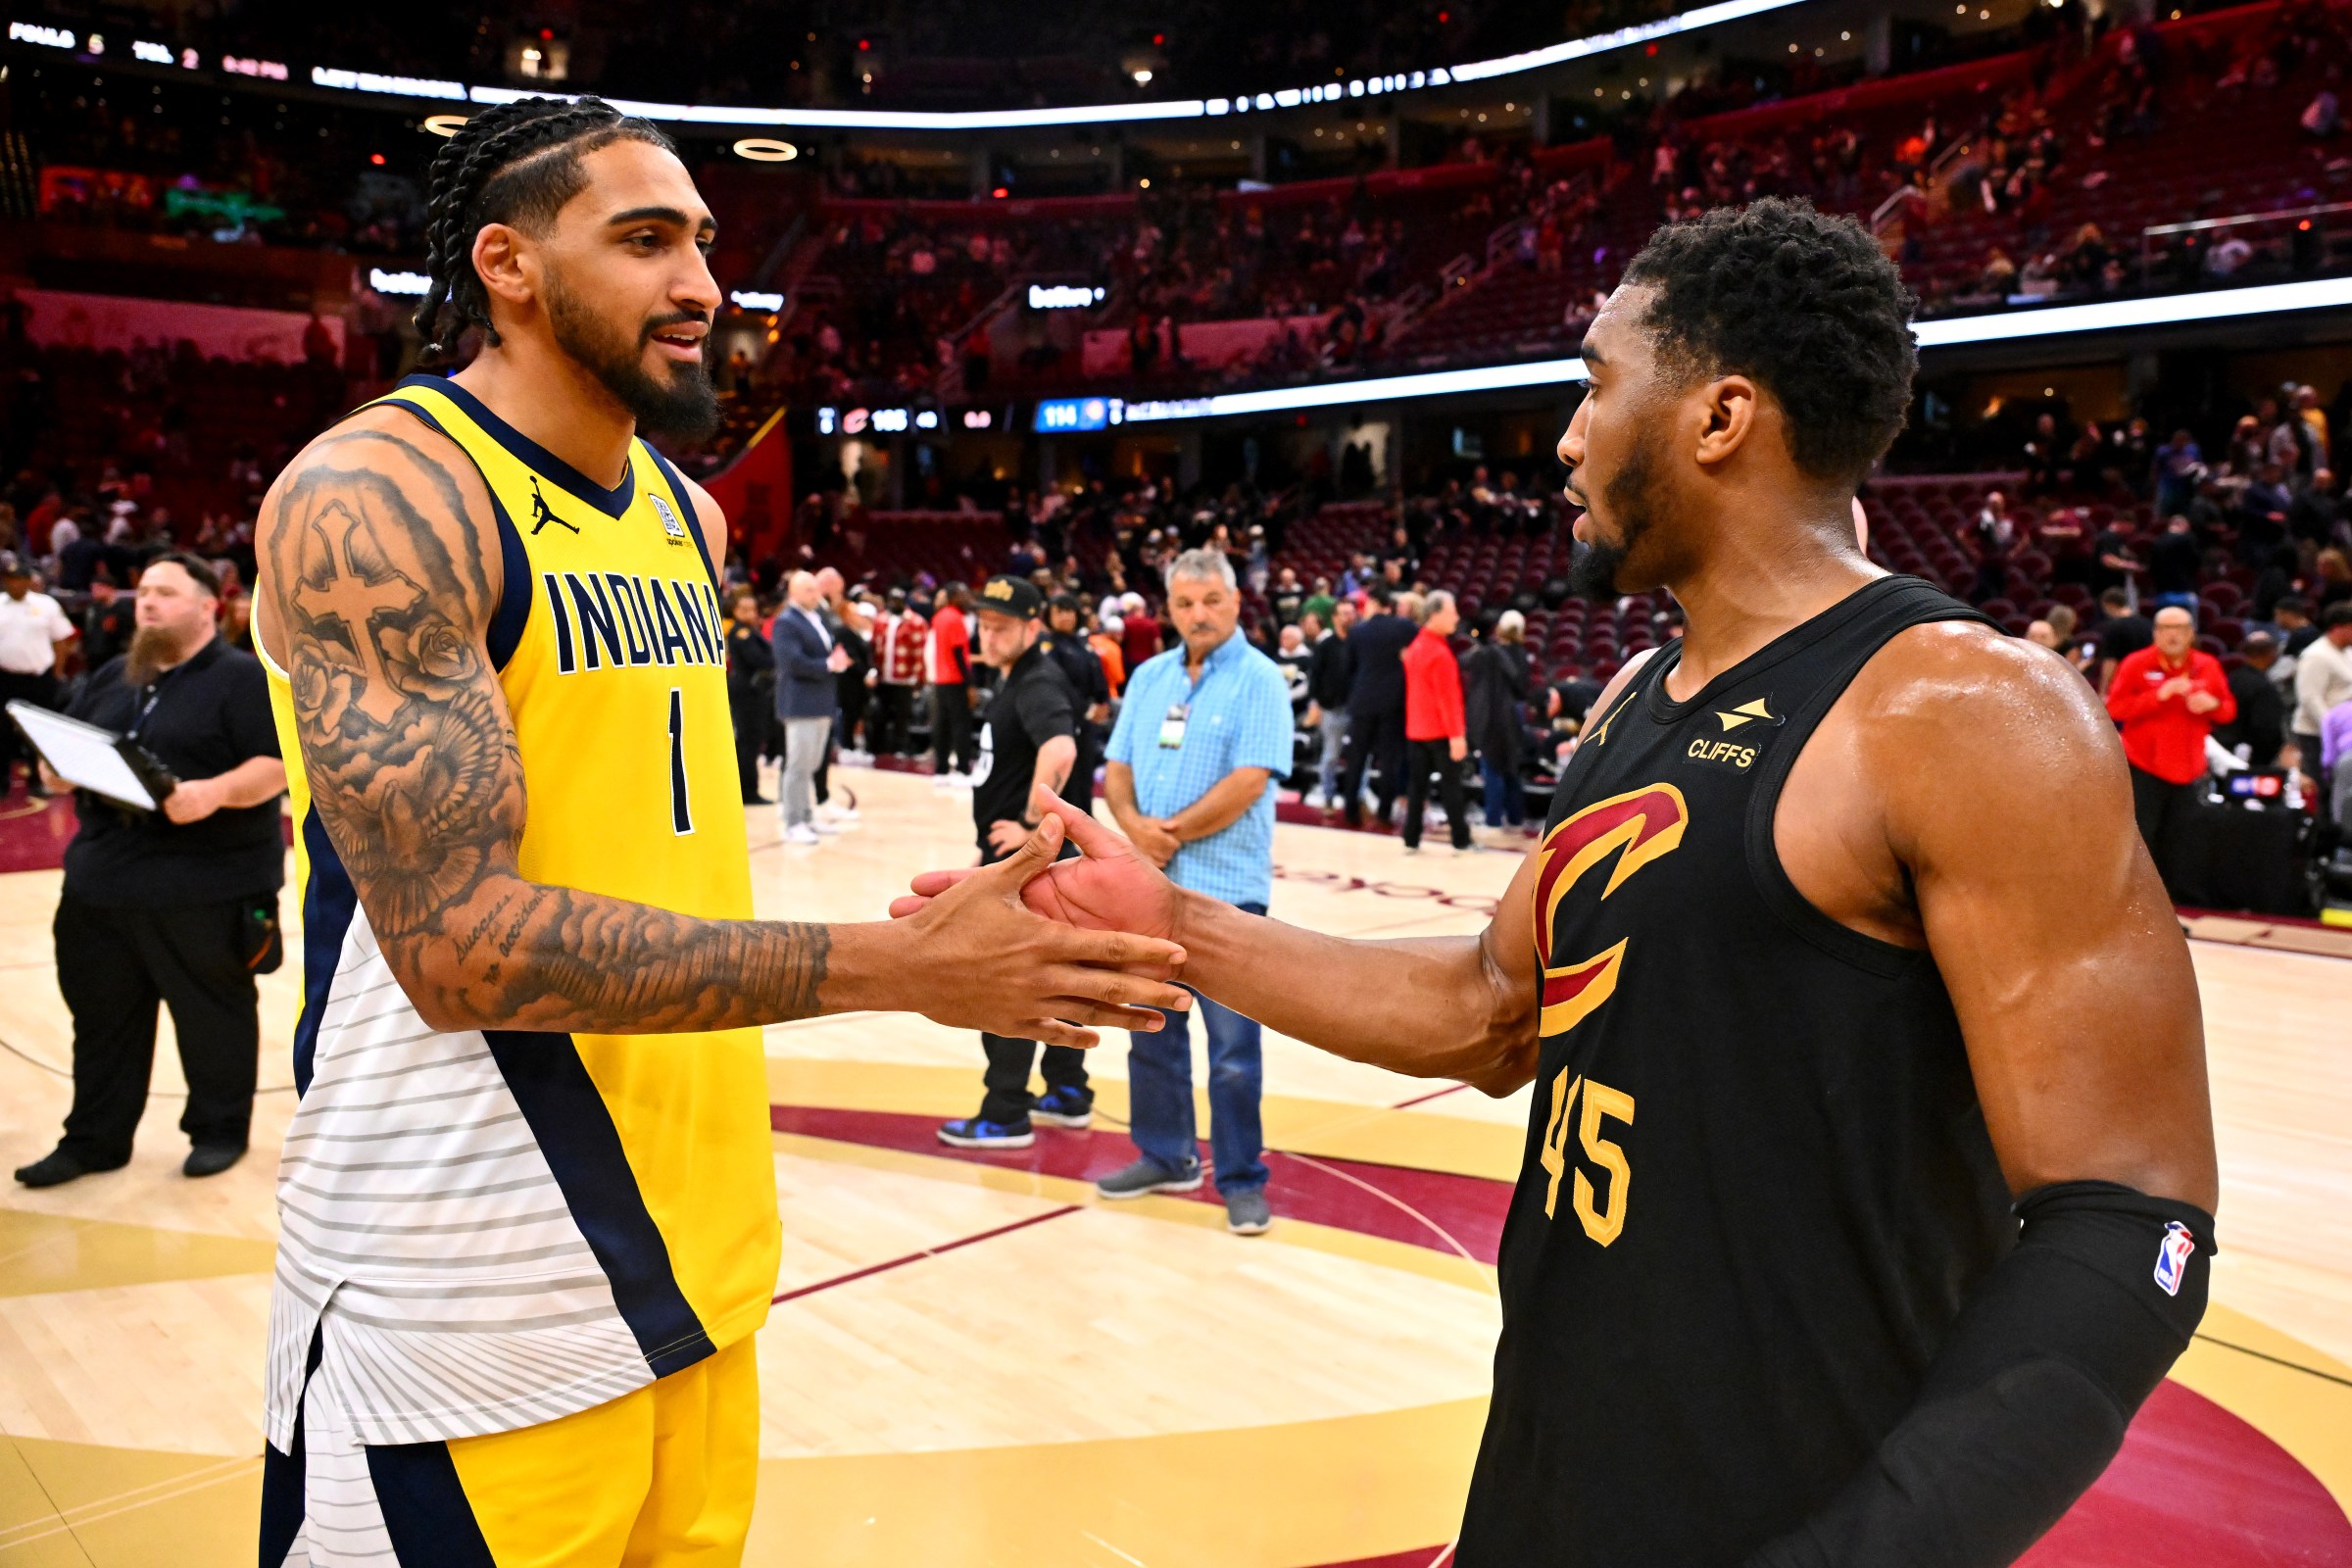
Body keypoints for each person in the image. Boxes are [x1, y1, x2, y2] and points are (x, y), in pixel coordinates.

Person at [906, 200, 2216, 1565]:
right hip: (1550, 1464)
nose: (1569, 437)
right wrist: (1173, 922)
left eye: (1595, 386)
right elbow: (1488, 1006)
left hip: (1792, 1503)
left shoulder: (1966, 710)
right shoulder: (1637, 694)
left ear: (1719, 417)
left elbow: (2132, 1219)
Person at [247, 96, 1189, 1565]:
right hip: (463, 1285)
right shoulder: (383, 496)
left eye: (701, 243)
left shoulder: (688, 517)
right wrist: (899, 968)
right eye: (644, 241)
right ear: (506, 263)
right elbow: (454, 948)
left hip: (700, 1250)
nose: (700, 284)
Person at [13, 555, 286, 1188]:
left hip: (206, 884)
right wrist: (58, 770)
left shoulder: (242, 678)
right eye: (143, 593)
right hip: (101, 884)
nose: (148, 603)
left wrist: (215, 791)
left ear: (208, 606)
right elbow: (75, 742)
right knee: (102, 1021)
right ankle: (94, 1140)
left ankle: (218, 1130)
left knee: (213, 1017)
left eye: (166, 593)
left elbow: (276, 765)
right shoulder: (115, 674)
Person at [1097, 548, 1294, 1237]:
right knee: (1151, 1034)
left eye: (1211, 601)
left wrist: (1167, 835)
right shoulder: (1149, 676)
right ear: (1169, 609)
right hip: (1148, 892)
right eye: (1184, 603)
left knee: (1233, 1052)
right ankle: (1165, 1155)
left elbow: (1250, 781)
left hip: (1226, 894)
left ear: (1236, 602)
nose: (1198, 614)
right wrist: (1133, 829)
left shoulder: (1261, 680)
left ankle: (1241, 1179)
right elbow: (1116, 768)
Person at [936, 576, 1090, 1150]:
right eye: (984, 624)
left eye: (1002, 627)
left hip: (1028, 864)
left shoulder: (1037, 681)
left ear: (1032, 627)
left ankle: (1004, 1113)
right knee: (1057, 979)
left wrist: (1030, 827)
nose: (989, 635)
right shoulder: (1018, 678)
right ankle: (1068, 1092)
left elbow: (1061, 748)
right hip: (1032, 861)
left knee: (1004, 984)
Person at [2107, 607, 2233, 898]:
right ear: (2155, 633)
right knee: (2142, 837)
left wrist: (2212, 705)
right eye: (2165, 628)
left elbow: (2228, 710)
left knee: (2182, 840)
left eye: (2179, 628)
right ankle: (2135, 899)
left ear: (2191, 633)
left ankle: (2176, 903)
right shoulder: (2136, 663)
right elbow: (2114, 708)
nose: (2172, 635)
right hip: (2144, 766)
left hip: (2189, 769)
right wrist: (2158, 696)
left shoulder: (2207, 665)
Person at [772, 570, 847, 847]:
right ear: (793, 592)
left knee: (812, 764)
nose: (815, 595)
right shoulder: (786, 622)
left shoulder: (817, 617)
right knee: (798, 765)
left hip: (821, 700)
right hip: (800, 703)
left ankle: (806, 816)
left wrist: (836, 659)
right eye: (808, 590)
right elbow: (791, 662)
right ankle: (794, 822)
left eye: (816, 589)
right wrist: (828, 665)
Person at [1399, 590, 1473, 855]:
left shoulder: (1414, 648)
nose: (1457, 617)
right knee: (1451, 787)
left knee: (1416, 788)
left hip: (1416, 730)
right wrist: (1457, 736)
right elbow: (1448, 700)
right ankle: (1461, 840)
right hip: (1440, 732)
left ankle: (1411, 839)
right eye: (1452, 612)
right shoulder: (1439, 653)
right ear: (1434, 614)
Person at [1338, 586, 1417, 828]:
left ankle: (1350, 810)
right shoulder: (1405, 628)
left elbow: (1347, 668)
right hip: (1393, 703)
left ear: (1373, 603)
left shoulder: (1358, 631)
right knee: (1389, 761)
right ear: (1390, 606)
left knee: (1357, 759)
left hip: (1362, 701)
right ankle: (1384, 812)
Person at [0, 551, 74, 798]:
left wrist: (58, 672)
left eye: (18, 580)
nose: (14, 584)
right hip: (4, 678)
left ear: (28, 581)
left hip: (38, 679)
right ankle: (2, 782)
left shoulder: (46, 605)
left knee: (38, 732)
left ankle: (38, 779)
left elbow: (61, 640)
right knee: (1, 731)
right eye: (9, 580)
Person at [1463, 608, 1532, 834]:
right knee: (1511, 769)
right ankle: (1515, 819)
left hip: (1493, 716)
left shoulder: (1489, 653)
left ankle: (1493, 820)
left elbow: (1463, 662)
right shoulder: (1522, 654)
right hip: (1514, 716)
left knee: (1492, 768)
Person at [1041, 592, 1110, 809]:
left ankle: (1085, 817)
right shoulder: (1048, 646)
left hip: (1086, 720)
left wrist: (1103, 702)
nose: (1065, 616)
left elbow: (1097, 674)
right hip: (1062, 718)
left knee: (1085, 771)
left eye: (1069, 611)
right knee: (1066, 776)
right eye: (1059, 611)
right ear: (1049, 616)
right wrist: (1086, 709)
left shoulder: (1084, 643)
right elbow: (1056, 683)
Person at [2292, 602, 2352, 817]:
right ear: (2338, 628)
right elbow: (2310, 699)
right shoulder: (2316, 656)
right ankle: (2320, 834)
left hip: (2343, 735)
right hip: (2316, 735)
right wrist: (2334, 729)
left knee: (2341, 786)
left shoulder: (2346, 652)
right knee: (2321, 790)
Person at [722, 587, 774, 804]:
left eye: (752, 609)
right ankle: (747, 791)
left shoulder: (751, 631)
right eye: (744, 609)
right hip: (746, 691)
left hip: (753, 691)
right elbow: (759, 659)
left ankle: (748, 789)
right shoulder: (740, 632)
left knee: (751, 741)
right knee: (748, 741)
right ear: (735, 610)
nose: (750, 613)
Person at [1305, 597, 1354, 808]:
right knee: (1331, 755)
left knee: (1361, 757)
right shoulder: (1325, 645)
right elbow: (1314, 676)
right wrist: (1314, 704)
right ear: (1334, 618)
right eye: (1344, 613)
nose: (1348, 617)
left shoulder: (1359, 643)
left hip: (1357, 709)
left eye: (1351, 613)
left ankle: (1357, 798)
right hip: (1332, 708)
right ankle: (1328, 796)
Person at [928, 580, 978, 785]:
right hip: (956, 679)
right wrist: (970, 684)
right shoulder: (956, 618)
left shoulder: (938, 617)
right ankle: (963, 770)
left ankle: (941, 769)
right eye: (963, 595)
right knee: (961, 725)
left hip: (940, 679)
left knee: (942, 725)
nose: (967, 599)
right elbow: (958, 653)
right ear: (954, 597)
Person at [2216, 630, 2286, 768]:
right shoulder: (2264, 687)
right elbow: (2267, 730)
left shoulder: (2232, 677)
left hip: (2223, 749)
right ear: (2270, 653)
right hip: (2251, 759)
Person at [870, 586, 926, 758]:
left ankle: (900, 749)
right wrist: (872, 670)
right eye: (892, 600)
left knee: (902, 717)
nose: (895, 603)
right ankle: (877, 749)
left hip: (905, 678)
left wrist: (918, 677)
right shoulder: (880, 620)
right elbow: (874, 647)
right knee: (879, 714)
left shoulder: (916, 622)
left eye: (898, 600)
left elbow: (920, 651)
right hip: (883, 676)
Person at [2092, 585, 2152, 695]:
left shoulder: (2113, 627)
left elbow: (2110, 661)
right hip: (2147, 682)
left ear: (2109, 605)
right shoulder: (2148, 624)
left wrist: (2103, 691)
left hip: (2124, 683)